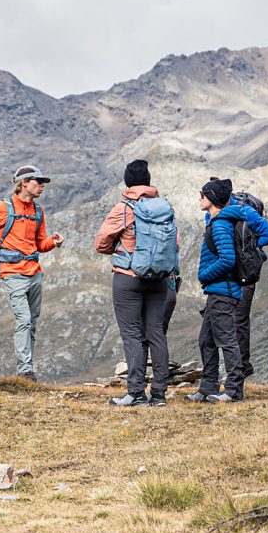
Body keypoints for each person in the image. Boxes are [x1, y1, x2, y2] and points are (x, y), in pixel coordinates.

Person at [95, 159, 178, 407]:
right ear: (149, 181)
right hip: (159, 279)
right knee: (156, 333)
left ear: (128, 182)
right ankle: (160, 394)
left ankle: (136, 393)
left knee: (132, 335)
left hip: (128, 278)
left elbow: (101, 243)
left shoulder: (124, 208)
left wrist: (122, 252)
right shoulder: (164, 208)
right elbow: (174, 244)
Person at [187, 177, 268, 403]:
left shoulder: (220, 224)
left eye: (202, 194)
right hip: (217, 289)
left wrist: (204, 275)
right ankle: (208, 387)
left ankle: (233, 391)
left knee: (227, 339)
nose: (199, 198)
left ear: (212, 198)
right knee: (206, 340)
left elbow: (227, 259)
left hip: (223, 289)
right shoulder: (217, 219)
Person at [0, 164, 64, 381]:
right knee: (23, 320)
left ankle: (27, 368)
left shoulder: (38, 211)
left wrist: (53, 242)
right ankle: (25, 371)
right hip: (12, 273)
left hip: (35, 273)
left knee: (31, 322)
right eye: (38, 182)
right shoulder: (2, 208)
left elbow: (40, 244)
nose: (42, 186)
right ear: (24, 183)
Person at [229, 190, 268, 377]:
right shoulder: (217, 213)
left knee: (239, 321)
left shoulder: (245, 212)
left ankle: (242, 367)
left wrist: (250, 247)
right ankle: (238, 367)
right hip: (231, 275)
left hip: (245, 273)